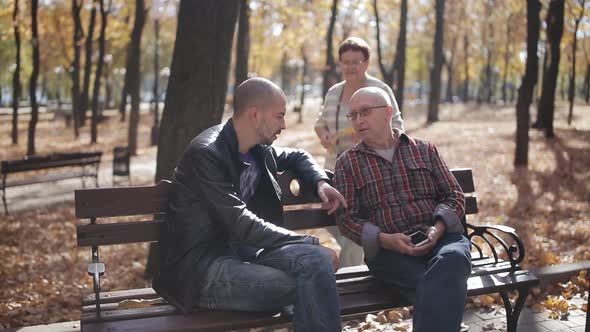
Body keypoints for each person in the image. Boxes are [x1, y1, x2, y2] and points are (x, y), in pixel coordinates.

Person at [153, 77, 346, 331]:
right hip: (200, 269)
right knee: (308, 279)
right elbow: (239, 221)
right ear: (255, 115)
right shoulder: (207, 154)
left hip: (244, 253)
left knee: (317, 262)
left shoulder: (256, 147)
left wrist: (321, 182)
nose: (284, 125)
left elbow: (298, 156)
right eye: (279, 116)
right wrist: (306, 241)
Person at [333, 87, 472, 332]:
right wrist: (384, 240)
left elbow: (454, 194)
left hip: (441, 239)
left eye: (365, 112)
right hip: (390, 253)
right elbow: (346, 219)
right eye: (353, 115)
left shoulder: (424, 149)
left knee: (453, 259)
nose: (358, 120)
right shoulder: (348, 162)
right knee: (441, 283)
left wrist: (438, 229)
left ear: (388, 112)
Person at [314, 36, 405, 268]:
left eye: (356, 61)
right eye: (346, 62)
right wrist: (323, 133)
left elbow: (397, 126)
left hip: (369, 171)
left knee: (355, 232)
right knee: (344, 229)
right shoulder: (334, 92)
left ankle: (349, 279)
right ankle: (356, 271)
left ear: (366, 63)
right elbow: (320, 121)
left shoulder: (380, 90)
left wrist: (370, 135)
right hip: (336, 170)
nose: (351, 67)